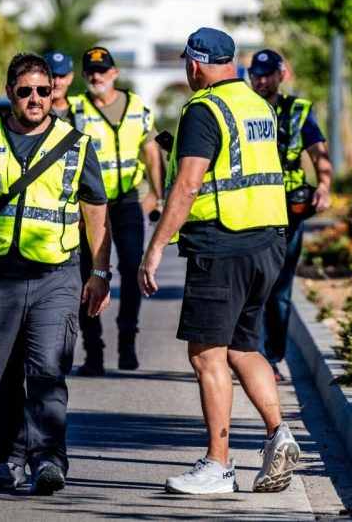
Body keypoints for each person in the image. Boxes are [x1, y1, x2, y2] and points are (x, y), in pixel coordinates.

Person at [0, 52, 113, 495]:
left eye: (43, 90)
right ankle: (9, 458)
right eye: (26, 91)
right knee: (1, 376)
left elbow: (95, 211)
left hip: (56, 275)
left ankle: (49, 460)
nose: (36, 98)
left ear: (53, 92)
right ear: (10, 93)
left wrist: (100, 272)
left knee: (47, 369)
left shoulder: (75, 143)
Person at [138, 27, 301, 495]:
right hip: (268, 241)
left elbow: (187, 185)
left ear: (193, 65)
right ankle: (278, 434)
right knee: (242, 347)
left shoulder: (203, 109)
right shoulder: (258, 106)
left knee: (206, 353)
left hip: (223, 244)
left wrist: (155, 248)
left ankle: (219, 465)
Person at [67, 46, 165, 375]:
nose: (96, 76)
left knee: (133, 269)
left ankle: (128, 342)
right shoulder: (74, 110)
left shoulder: (136, 107)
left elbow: (152, 153)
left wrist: (159, 196)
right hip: (88, 206)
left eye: (102, 70)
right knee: (90, 275)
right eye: (90, 71)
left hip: (126, 201)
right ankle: (93, 351)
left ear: (114, 74)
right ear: (84, 76)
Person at [247, 49, 332, 382]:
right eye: (256, 73)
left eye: (267, 74)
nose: (261, 80)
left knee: (279, 289)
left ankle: (270, 359)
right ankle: (245, 354)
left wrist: (323, 186)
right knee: (250, 286)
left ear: (281, 75)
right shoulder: (242, 108)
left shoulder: (298, 112)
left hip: (288, 211)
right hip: (249, 210)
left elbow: (319, 154)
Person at [45, 51, 75, 119]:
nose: (56, 82)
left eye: (62, 76)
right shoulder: (34, 111)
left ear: (70, 78)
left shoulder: (82, 110)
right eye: (52, 75)